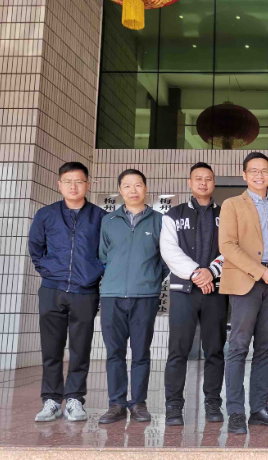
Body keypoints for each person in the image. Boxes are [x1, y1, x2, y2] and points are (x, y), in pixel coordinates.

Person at [29, 162, 108, 422]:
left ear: (88, 184)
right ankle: (51, 400)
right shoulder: (46, 215)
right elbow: (36, 248)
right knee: (51, 348)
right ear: (59, 184)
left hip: (85, 291)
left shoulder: (100, 217)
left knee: (80, 347)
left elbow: (107, 252)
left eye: (79, 181)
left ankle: (74, 398)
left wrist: (94, 273)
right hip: (52, 289)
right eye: (68, 181)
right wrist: (50, 272)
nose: (73, 186)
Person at [219, 152, 268, 435]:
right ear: (244, 175)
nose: (260, 175)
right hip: (246, 280)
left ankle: (259, 408)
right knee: (238, 347)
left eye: (264, 171)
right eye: (254, 171)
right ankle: (236, 411)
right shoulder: (232, 204)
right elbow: (227, 245)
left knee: (266, 348)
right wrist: (259, 271)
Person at [97, 169, 168, 424]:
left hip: (145, 296)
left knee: (141, 352)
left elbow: (165, 259)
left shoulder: (159, 221)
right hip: (112, 295)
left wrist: (151, 279)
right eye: (127, 186)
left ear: (145, 188)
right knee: (114, 352)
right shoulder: (108, 221)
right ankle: (116, 403)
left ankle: (138, 403)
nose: (133, 190)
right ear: (120, 190)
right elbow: (103, 255)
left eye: (138, 185)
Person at [161, 162, 228, 426]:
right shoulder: (173, 214)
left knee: (215, 350)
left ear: (214, 183)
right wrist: (197, 273)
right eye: (198, 178)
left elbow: (232, 247)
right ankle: (173, 406)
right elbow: (169, 250)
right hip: (183, 291)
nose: (203, 183)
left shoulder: (226, 214)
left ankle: (213, 402)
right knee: (178, 350)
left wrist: (212, 271)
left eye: (208, 178)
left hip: (216, 291)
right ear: (190, 183)